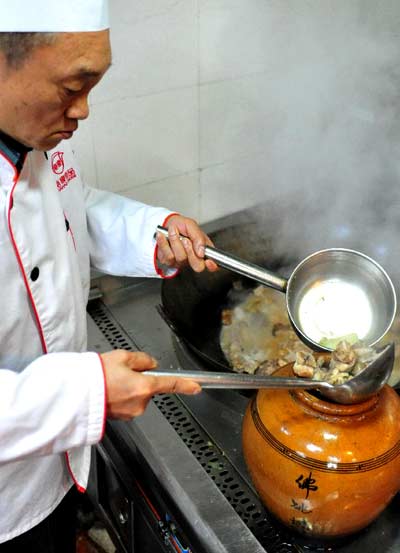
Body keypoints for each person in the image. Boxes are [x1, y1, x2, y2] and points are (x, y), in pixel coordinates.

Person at [0, 2, 218, 551]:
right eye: (72, 86)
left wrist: (155, 231)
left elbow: (68, 209)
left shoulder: (31, 138)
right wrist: (86, 393)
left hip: (52, 464)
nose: (85, 110)